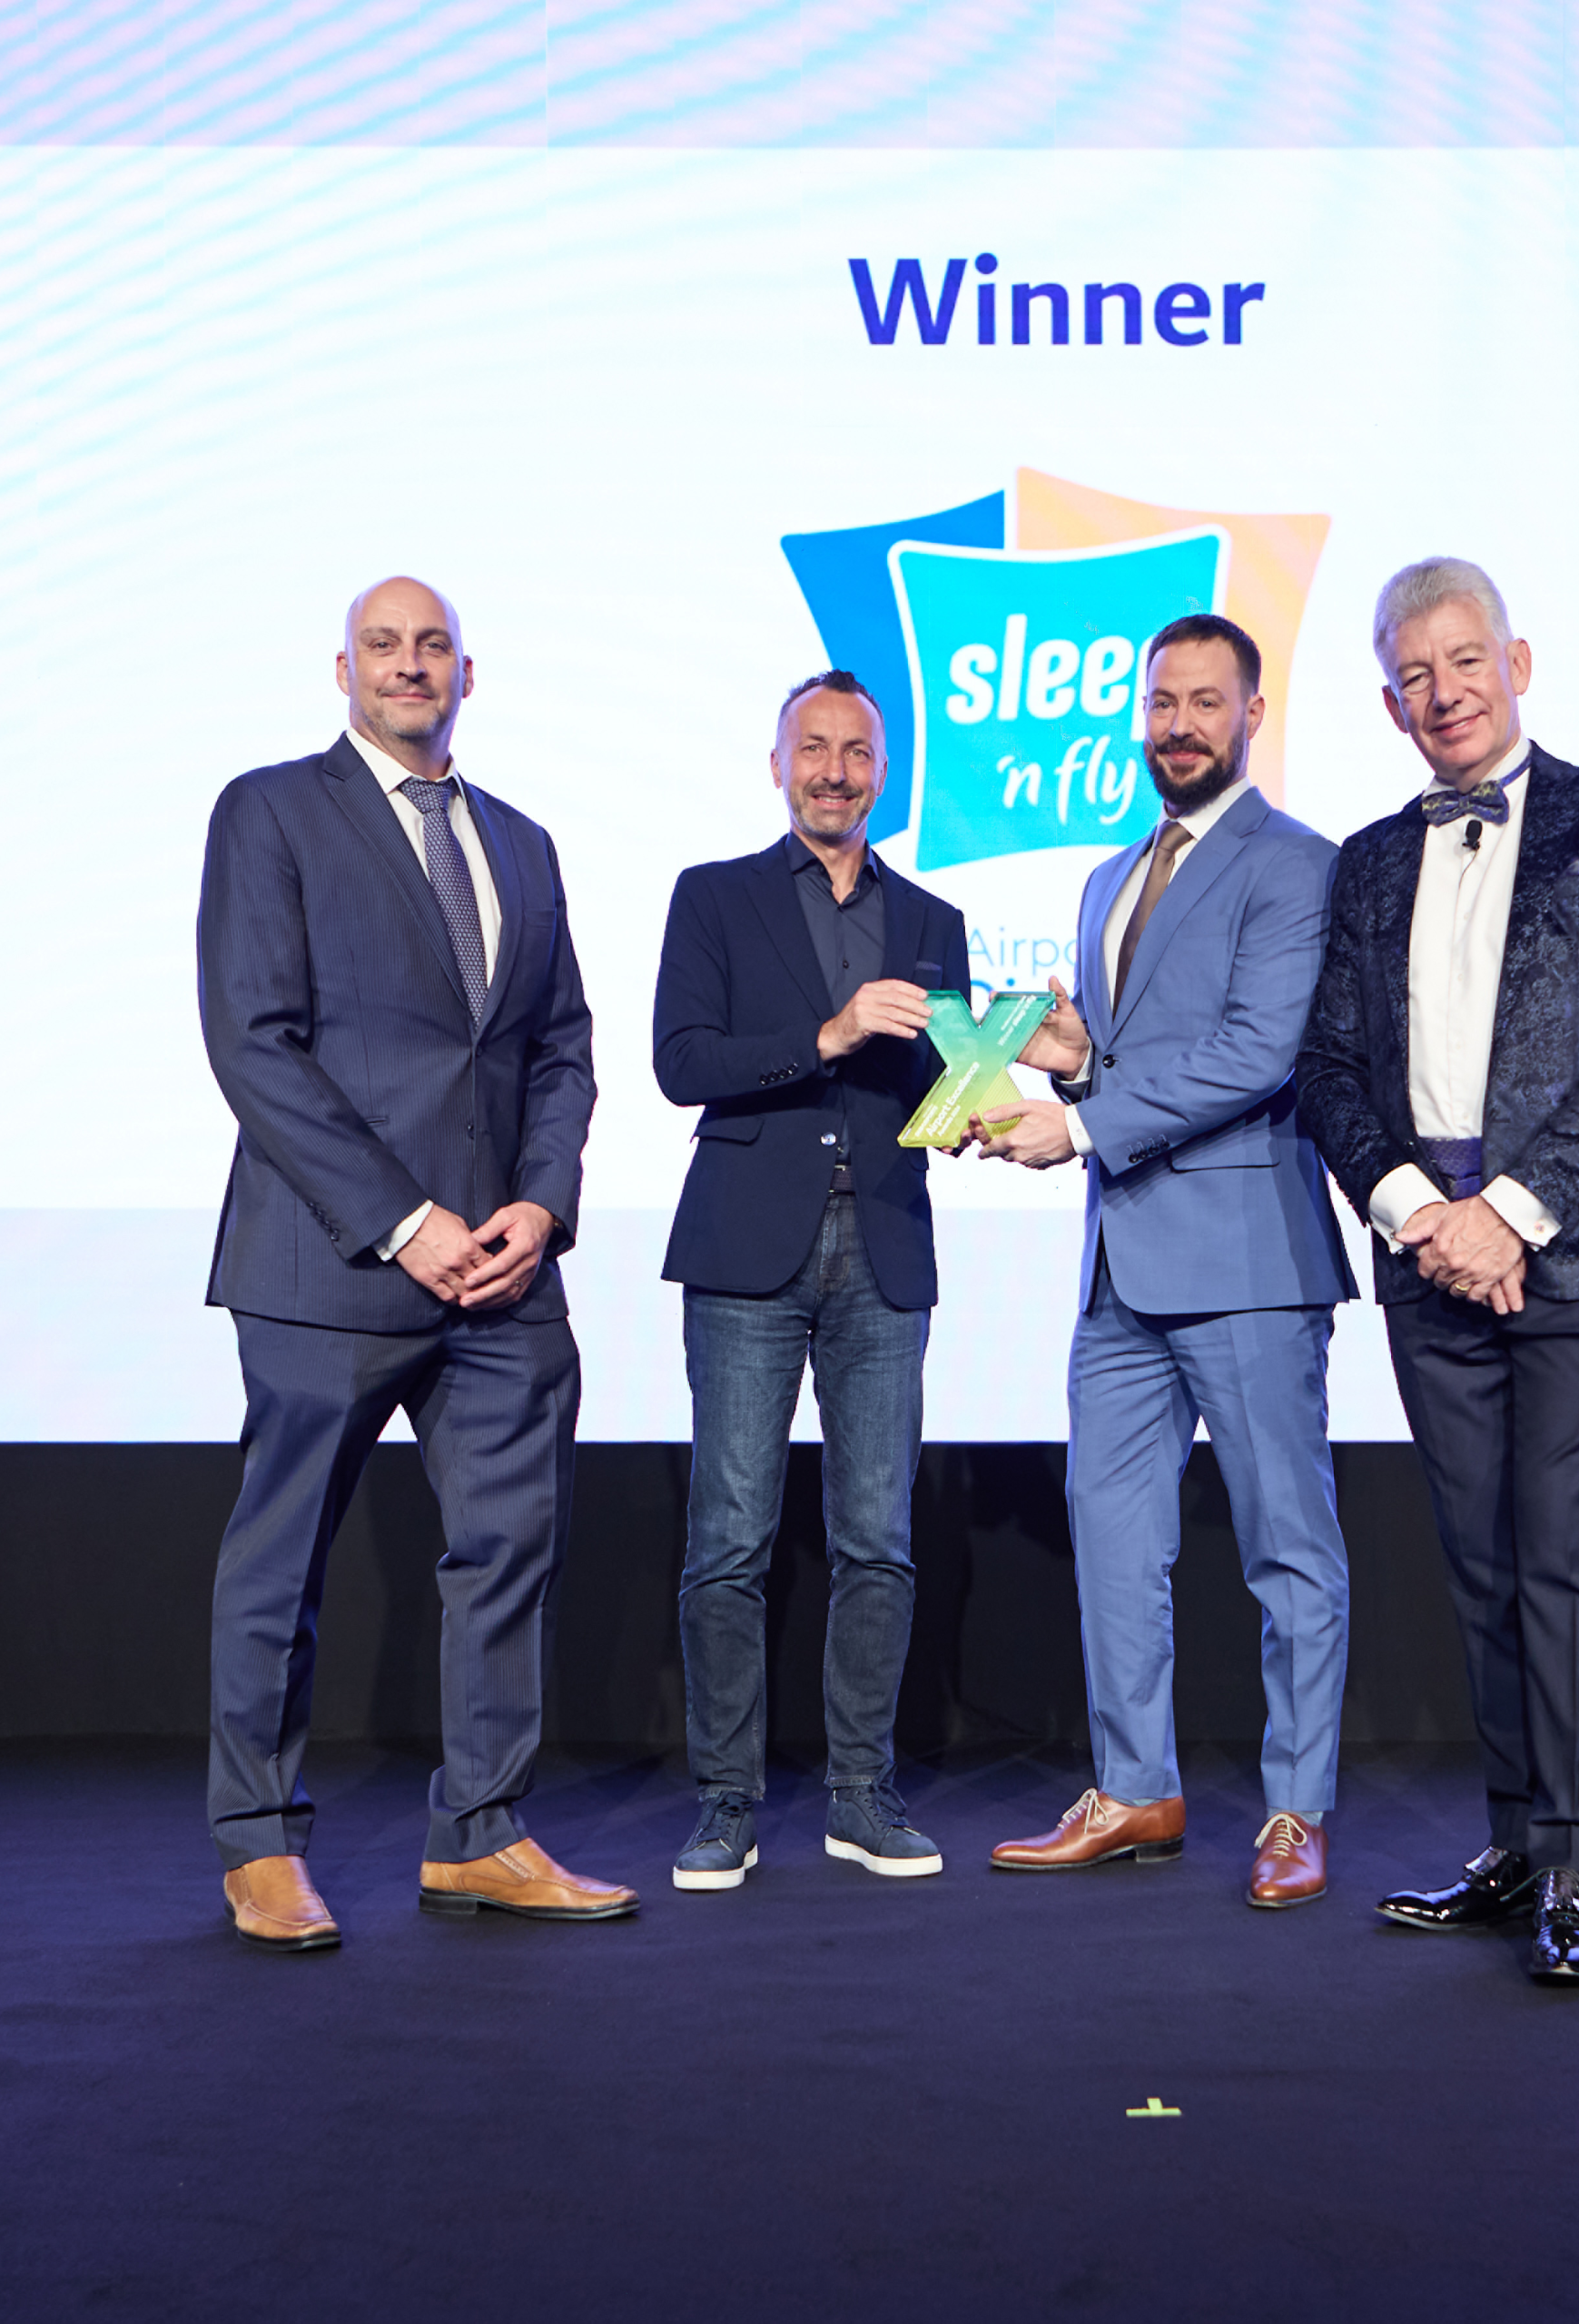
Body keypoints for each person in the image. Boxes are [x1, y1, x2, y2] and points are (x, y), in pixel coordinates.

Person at [193, 574, 634, 1950]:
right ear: (343, 671)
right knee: (284, 1557)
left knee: (507, 1552)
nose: (407, 665)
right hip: (335, 1263)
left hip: (504, 1276)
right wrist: (403, 1220)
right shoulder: (270, 811)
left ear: (466, 673)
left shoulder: (524, 841)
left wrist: (543, 1208)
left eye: (430, 645)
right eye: (382, 646)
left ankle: (482, 1834)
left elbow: (559, 1044)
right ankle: (259, 1846)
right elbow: (253, 1041)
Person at [1294, 556, 1579, 1986]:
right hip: (1429, 1263)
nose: (1442, 693)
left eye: (1464, 661)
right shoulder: (1372, 859)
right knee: (1484, 1569)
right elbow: (1330, 1065)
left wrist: (1506, 1213)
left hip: (1578, 1256)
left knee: (1572, 1571)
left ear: (1517, 665)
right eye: (1414, 674)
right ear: (1389, 701)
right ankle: (1520, 1844)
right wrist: (1419, 1213)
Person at [969, 613, 1359, 1909]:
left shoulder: (1297, 866)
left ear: (1251, 714)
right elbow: (1141, 1061)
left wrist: (1076, 1121)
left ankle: (1297, 1809)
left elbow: (1258, 1054)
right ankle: (1135, 1788)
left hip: (1248, 1259)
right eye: (1161, 703)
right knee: (1114, 1543)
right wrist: (1071, 1060)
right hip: (1119, 1271)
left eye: (1205, 701)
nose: (1179, 724)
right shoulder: (1106, 878)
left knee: (1285, 1549)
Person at [648, 671, 992, 1889]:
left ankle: (861, 1795)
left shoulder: (933, 920)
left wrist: (970, 1109)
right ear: (778, 762)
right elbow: (681, 1063)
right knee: (729, 1540)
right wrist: (831, 1036)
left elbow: (941, 1091)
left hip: (885, 1249)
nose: (836, 770)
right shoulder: (715, 899)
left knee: (878, 1542)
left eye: (857, 753)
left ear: (883, 774)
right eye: (815, 749)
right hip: (749, 1250)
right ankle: (726, 1803)